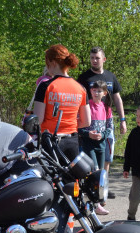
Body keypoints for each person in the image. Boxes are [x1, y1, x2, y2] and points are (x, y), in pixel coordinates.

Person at [77, 48, 127, 198]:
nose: (94, 60)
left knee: (106, 158)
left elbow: (117, 98)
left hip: (106, 122)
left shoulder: (110, 76)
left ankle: (103, 186)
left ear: (103, 59)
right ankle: (90, 188)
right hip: (89, 125)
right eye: (92, 57)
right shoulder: (84, 77)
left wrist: (122, 120)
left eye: (97, 58)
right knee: (90, 160)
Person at [33, 44, 91, 162]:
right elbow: (86, 121)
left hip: (50, 142)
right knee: (71, 179)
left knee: (48, 179)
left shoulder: (45, 86)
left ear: (53, 62)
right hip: (72, 142)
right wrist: (68, 125)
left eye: (47, 63)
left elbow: (37, 120)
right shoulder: (80, 88)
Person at [80, 80, 113, 215]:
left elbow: (109, 127)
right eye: (94, 90)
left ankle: (96, 204)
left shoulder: (106, 108)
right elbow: (79, 127)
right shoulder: (86, 106)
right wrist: (89, 134)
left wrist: (102, 135)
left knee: (100, 175)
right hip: (89, 145)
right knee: (93, 171)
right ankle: (89, 203)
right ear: (90, 91)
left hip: (101, 145)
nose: (96, 92)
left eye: (99, 91)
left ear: (104, 93)